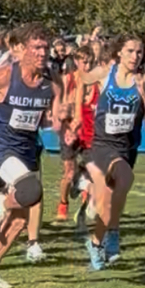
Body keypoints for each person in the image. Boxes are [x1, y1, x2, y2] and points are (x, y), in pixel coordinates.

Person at [0, 23, 64, 288]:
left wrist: (64, 121)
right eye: (37, 47)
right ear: (24, 50)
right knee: (31, 189)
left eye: (45, 47)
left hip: (27, 147)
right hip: (1, 145)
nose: (42, 53)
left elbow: (54, 116)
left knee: (23, 212)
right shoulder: (6, 75)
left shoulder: (52, 81)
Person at [74, 34, 145, 270]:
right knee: (124, 179)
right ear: (119, 52)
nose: (135, 56)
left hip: (128, 147)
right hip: (103, 145)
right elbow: (81, 79)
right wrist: (77, 113)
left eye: (139, 52)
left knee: (109, 201)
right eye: (130, 51)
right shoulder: (105, 74)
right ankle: (111, 233)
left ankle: (97, 241)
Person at [56, 46, 96, 222]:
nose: (87, 65)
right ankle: (63, 204)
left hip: (88, 132)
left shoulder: (96, 81)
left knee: (92, 171)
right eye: (83, 62)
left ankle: (84, 207)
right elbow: (62, 108)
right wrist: (67, 125)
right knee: (69, 172)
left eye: (90, 62)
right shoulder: (68, 80)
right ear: (77, 61)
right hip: (70, 130)